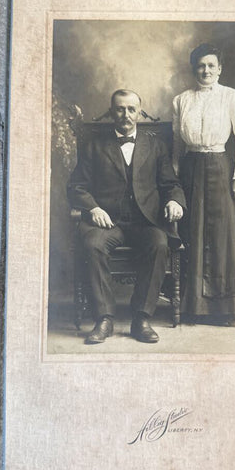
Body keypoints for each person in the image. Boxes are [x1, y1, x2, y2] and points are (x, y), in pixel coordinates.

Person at [68, 89, 185, 344]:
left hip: (146, 221)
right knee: (92, 244)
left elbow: (170, 184)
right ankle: (104, 319)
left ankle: (141, 318)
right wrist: (94, 209)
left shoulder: (155, 146)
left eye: (131, 109)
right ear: (112, 112)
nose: (126, 115)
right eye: (120, 109)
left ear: (139, 113)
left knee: (159, 243)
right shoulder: (95, 146)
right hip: (108, 222)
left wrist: (175, 201)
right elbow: (77, 186)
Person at [172, 43, 235, 324]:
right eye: (201, 65)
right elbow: (177, 143)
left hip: (219, 168)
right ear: (194, 69)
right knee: (192, 232)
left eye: (211, 65)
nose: (206, 70)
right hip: (190, 168)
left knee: (222, 235)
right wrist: (176, 176)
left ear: (220, 69)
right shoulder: (181, 100)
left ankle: (224, 307)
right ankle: (193, 304)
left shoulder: (232, 98)